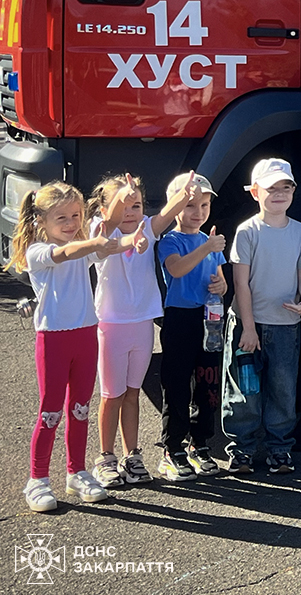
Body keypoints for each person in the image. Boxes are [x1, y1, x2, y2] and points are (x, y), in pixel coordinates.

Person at [7, 182, 138, 511]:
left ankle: (76, 472)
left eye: (76, 216)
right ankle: (37, 479)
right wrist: (96, 241)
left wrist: (123, 206)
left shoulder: (83, 246)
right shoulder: (38, 252)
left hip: (85, 335)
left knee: (80, 409)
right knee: (50, 412)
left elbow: (109, 234)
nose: (71, 223)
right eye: (61, 217)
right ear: (41, 220)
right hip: (53, 339)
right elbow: (67, 253)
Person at [87, 171, 196, 487]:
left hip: (142, 325)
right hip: (111, 326)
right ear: (106, 209)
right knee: (112, 395)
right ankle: (105, 458)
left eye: (136, 205)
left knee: (132, 393)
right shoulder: (100, 231)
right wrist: (121, 203)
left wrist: (185, 194)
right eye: (123, 206)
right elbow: (109, 232)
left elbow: (166, 215)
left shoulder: (148, 228)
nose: (130, 212)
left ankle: (132, 455)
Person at [222, 159, 301, 476]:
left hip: (286, 326)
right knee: (244, 392)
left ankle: (279, 449)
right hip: (247, 326)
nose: (279, 193)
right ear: (254, 192)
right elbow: (241, 283)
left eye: (285, 187)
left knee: (283, 390)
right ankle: (242, 449)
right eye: (271, 188)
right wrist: (248, 328)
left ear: (294, 191)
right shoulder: (247, 231)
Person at [157, 173, 228, 481]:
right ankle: (172, 447)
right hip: (179, 318)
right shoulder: (170, 241)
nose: (198, 212)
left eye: (204, 205)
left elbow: (221, 280)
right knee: (176, 383)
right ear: (175, 207)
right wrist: (207, 248)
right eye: (189, 205)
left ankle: (200, 443)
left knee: (207, 383)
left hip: (208, 318)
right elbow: (176, 268)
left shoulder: (209, 241)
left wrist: (221, 286)